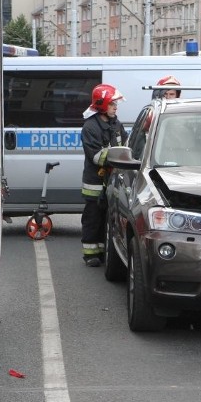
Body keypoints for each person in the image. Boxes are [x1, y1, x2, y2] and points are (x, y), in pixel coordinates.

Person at [80, 84, 128, 267]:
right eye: (112, 104)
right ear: (102, 105)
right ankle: (90, 253)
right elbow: (97, 156)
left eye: (116, 104)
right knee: (93, 217)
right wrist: (117, 154)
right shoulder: (90, 127)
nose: (116, 107)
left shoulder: (116, 124)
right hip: (95, 182)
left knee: (109, 217)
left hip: (112, 180)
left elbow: (126, 145)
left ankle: (103, 250)